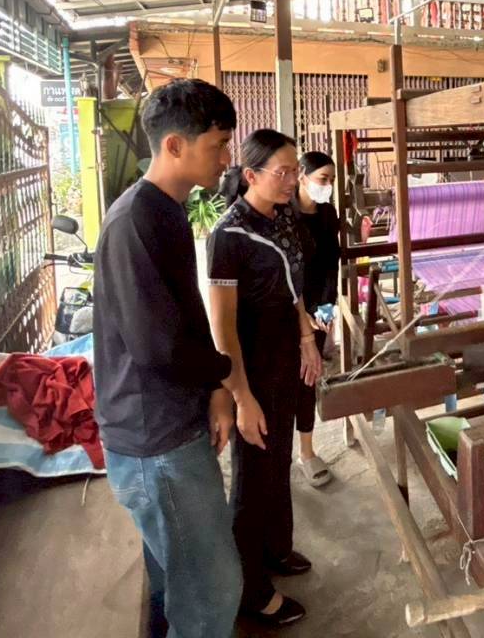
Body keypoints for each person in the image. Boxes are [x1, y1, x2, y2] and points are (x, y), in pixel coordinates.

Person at [91, 78, 242, 638]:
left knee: (180, 580)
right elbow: (160, 348)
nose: (225, 159)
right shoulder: (136, 222)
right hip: (154, 440)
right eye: (217, 146)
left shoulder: (168, 210)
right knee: (212, 589)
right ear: (174, 145)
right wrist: (224, 373)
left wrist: (216, 390)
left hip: (166, 426)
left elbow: (185, 317)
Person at [207, 130, 324, 628]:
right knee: (252, 476)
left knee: (277, 460)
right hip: (251, 367)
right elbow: (222, 327)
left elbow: (295, 290)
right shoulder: (228, 236)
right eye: (284, 171)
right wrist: (241, 396)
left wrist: (307, 339)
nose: (293, 179)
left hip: (284, 359)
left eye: (296, 170)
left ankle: (276, 548)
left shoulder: (283, 217)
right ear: (251, 175)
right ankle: (251, 589)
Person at [293, 150, 340, 488]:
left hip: (318, 307)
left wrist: (326, 307)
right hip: (290, 306)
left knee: (309, 377)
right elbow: (286, 271)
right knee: (285, 378)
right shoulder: (283, 214)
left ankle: (307, 452)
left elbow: (330, 263)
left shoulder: (327, 214)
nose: (328, 186)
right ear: (302, 176)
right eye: (323, 179)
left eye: (332, 180)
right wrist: (301, 314)